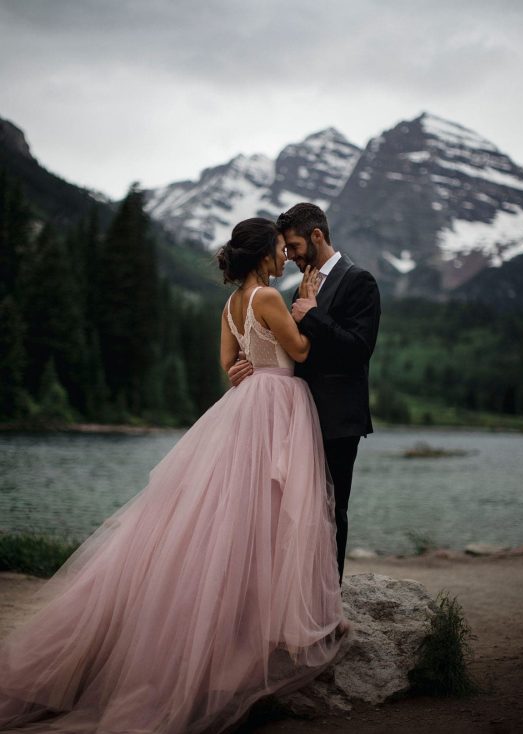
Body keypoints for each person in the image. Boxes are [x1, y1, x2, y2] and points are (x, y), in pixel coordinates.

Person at [0, 218, 346, 734]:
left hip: (244, 410)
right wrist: (308, 308)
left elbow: (229, 364)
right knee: (275, 514)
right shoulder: (271, 299)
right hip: (278, 407)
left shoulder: (229, 306)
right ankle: (267, 633)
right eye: (277, 249)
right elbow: (298, 351)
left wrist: (244, 369)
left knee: (233, 516)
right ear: (261, 256)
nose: (282, 257)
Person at [229, 204, 380, 582]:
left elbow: (358, 350)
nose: (290, 255)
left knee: (329, 510)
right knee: (289, 512)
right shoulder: (302, 285)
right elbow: (286, 347)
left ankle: (329, 600)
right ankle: (294, 596)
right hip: (293, 417)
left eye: (294, 246)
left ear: (317, 236)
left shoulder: (359, 281)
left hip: (336, 419)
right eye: (286, 249)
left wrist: (312, 314)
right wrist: (247, 363)